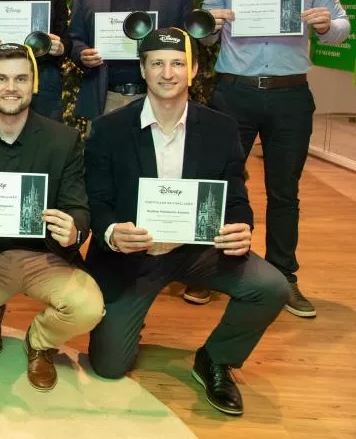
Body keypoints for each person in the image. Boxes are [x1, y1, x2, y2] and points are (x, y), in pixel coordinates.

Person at [84, 28, 289, 415]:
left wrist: (241, 228)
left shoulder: (220, 128)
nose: (168, 73)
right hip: (134, 255)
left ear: (193, 70)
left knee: (271, 287)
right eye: (157, 63)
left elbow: (236, 198)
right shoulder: (109, 129)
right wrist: (112, 233)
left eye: (178, 63)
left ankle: (215, 359)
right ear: (143, 70)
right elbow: (97, 200)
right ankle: (128, 318)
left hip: (196, 249)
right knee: (109, 365)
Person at [198, 0, 350, 316]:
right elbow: (205, 40)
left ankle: (285, 276)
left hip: (289, 95)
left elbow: (341, 24)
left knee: (284, 191)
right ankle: (210, 269)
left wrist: (327, 24)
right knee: (221, 185)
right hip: (233, 93)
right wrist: (211, 25)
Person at [0, 44, 104, 391]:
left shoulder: (63, 139)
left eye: (20, 79)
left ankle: (40, 342)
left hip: (44, 256)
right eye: (1, 78)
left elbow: (79, 208)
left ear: (34, 85)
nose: (11, 87)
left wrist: (74, 231)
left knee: (88, 308)